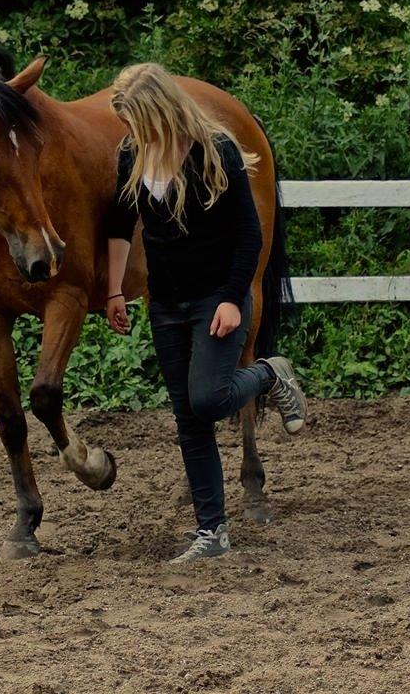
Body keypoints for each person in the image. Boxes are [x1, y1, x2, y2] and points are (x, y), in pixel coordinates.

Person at [104, 62, 307, 564]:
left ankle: (267, 373)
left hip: (216, 297)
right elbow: (117, 225)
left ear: (159, 110)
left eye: (136, 120)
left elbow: (249, 234)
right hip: (166, 303)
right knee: (188, 420)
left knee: (210, 399)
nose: (131, 133)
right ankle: (211, 532)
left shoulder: (216, 152)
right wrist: (113, 291)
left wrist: (233, 297)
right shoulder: (132, 154)